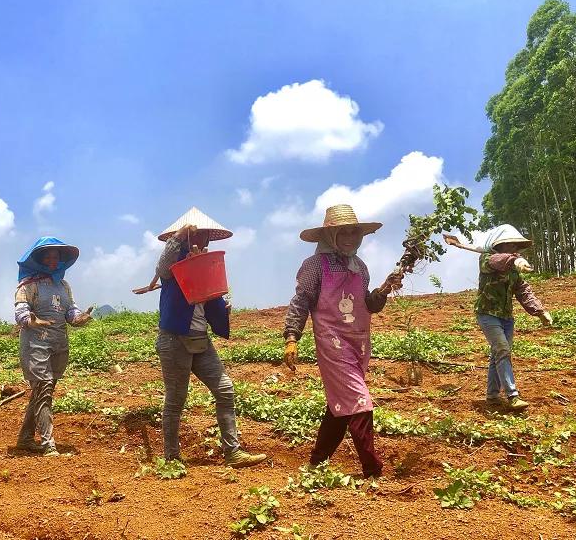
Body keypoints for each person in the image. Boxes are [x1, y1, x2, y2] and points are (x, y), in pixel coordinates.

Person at [283, 205, 402, 478]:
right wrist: (292, 337)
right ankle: (372, 470)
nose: (350, 237)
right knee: (359, 400)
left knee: (341, 404)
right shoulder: (314, 266)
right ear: (330, 235)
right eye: (343, 232)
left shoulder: (360, 266)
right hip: (332, 341)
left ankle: (316, 462)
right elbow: (301, 301)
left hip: (359, 341)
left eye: (355, 232)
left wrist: (383, 290)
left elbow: (368, 305)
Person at [154, 207, 266, 468]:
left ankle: (233, 452)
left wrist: (220, 309)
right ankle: (171, 457)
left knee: (225, 390)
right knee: (176, 399)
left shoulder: (209, 264)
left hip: (200, 339)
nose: (201, 240)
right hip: (174, 340)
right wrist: (179, 236)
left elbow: (210, 298)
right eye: (197, 235)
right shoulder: (174, 265)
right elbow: (161, 269)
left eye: (205, 236)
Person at [449, 225, 552, 411]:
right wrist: (514, 260)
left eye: (516, 246)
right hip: (487, 315)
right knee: (503, 350)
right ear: (500, 245)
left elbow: (524, 291)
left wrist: (539, 311)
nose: (514, 249)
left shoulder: (514, 271)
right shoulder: (487, 259)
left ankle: (492, 395)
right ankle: (512, 395)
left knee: (497, 355)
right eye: (509, 245)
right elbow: (499, 261)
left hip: (506, 317)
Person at [14, 237, 93, 455]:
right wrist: (31, 320)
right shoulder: (28, 285)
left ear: (60, 260)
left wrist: (80, 318)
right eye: (47, 256)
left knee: (42, 392)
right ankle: (49, 444)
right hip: (36, 345)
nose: (52, 260)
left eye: (55, 256)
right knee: (44, 389)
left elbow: (70, 311)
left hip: (58, 344)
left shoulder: (63, 285)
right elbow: (20, 311)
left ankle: (25, 438)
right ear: (39, 259)